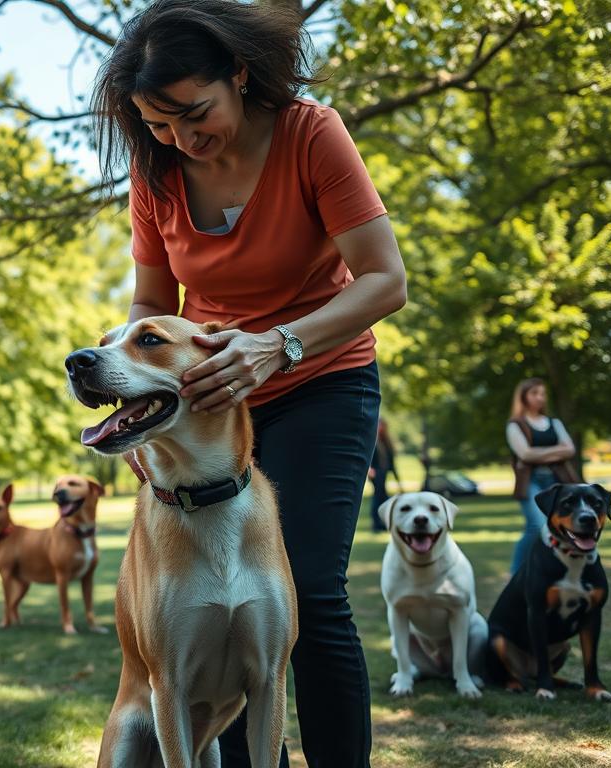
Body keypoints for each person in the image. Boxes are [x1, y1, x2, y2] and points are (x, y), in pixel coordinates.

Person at [91, 1, 407, 764]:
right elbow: (151, 302)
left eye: (195, 113)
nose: (181, 139)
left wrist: (281, 343)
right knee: (207, 611)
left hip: (322, 376)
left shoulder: (309, 134)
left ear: (238, 73)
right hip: (207, 400)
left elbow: (385, 280)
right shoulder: (157, 170)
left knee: (312, 594)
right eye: (159, 124)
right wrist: (144, 399)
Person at [506, 377, 579, 574]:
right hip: (531, 482)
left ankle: (558, 570)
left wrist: (537, 453)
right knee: (536, 526)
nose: (540, 397)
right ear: (523, 396)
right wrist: (556, 450)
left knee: (566, 526)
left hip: (558, 481)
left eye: (542, 393)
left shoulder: (554, 423)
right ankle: (516, 573)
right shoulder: (515, 425)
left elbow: (570, 449)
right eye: (535, 393)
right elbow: (525, 454)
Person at [368, 418, 399, 532]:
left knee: (383, 497)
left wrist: (397, 478)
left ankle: (382, 522)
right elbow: (370, 457)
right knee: (378, 497)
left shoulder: (386, 441)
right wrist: (369, 469)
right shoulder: (373, 440)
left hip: (383, 472)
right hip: (376, 473)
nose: (381, 427)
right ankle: (376, 524)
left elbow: (391, 460)